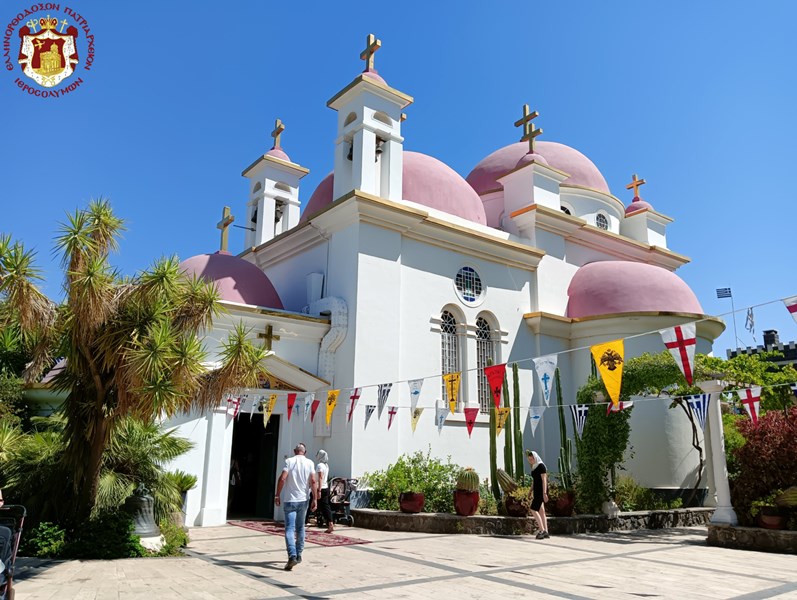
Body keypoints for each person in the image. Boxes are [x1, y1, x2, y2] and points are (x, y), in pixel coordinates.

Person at [274, 443, 317, 571]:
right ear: (305, 452)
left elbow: (282, 478)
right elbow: (313, 481)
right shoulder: (310, 463)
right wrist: (315, 498)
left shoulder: (290, 461)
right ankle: (298, 554)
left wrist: (277, 495)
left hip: (290, 500)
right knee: (300, 527)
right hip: (303, 499)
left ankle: (292, 555)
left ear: (295, 451)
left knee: (289, 529)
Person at [526, 450, 550, 539]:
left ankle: (542, 530)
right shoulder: (534, 467)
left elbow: (544, 480)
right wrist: (530, 491)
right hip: (536, 491)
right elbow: (534, 480)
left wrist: (544, 493)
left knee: (533, 509)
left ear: (535, 457)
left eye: (532, 459)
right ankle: (546, 531)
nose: (531, 461)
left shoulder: (541, 466)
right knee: (541, 511)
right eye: (529, 459)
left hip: (541, 491)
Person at [315, 449, 334, 534]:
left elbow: (320, 477)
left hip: (320, 488)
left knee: (311, 504)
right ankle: (330, 523)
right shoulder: (326, 465)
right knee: (325, 506)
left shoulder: (319, 465)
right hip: (325, 487)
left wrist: (318, 490)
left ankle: (302, 522)